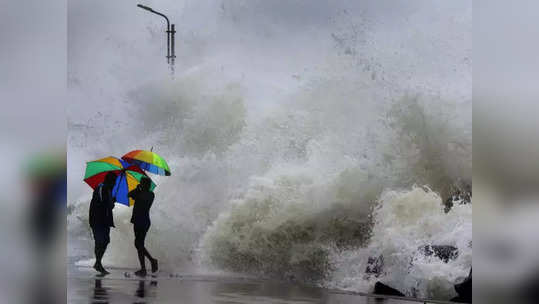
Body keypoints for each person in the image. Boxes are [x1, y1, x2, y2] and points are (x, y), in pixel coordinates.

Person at [128, 177, 158, 277]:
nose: (141, 184)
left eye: (142, 183)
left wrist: (138, 190)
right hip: (140, 221)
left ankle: (149, 263)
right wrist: (137, 189)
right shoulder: (143, 193)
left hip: (142, 221)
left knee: (138, 244)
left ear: (146, 185)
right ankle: (146, 266)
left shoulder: (149, 194)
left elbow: (134, 196)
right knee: (138, 244)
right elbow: (130, 195)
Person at [89, 172, 116, 274]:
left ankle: (98, 263)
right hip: (97, 219)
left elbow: (108, 206)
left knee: (105, 240)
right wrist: (111, 201)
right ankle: (98, 264)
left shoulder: (107, 189)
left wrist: (112, 201)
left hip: (104, 219)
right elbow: (103, 203)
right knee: (100, 240)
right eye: (114, 181)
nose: (114, 184)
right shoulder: (101, 187)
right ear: (109, 180)